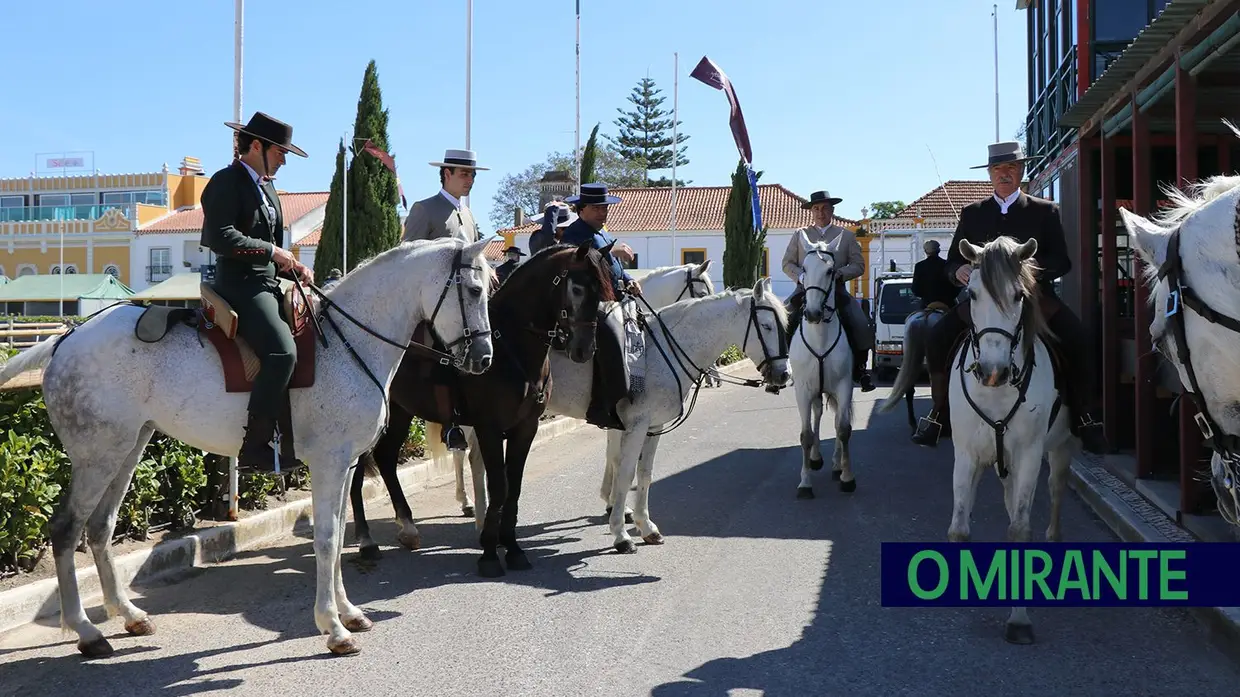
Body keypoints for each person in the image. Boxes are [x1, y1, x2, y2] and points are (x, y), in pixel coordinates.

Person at [909, 140, 1108, 454]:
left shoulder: (1045, 211)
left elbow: (1062, 261)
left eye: (1011, 168)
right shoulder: (972, 213)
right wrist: (957, 272)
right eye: (998, 169)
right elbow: (952, 261)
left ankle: (1084, 416)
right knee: (936, 337)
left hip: (1032, 298)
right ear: (989, 174)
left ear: (1022, 171)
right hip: (984, 300)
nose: (1004, 174)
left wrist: (1028, 272)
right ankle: (939, 413)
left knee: (1080, 338)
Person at [199, 111, 314, 473]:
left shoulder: (267, 188)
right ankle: (255, 447)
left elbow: (271, 246)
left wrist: (292, 265)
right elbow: (219, 236)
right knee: (282, 353)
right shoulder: (225, 182)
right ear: (257, 146)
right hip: (240, 286)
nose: (283, 159)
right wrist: (272, 252)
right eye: (280, 151)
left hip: (269, 281)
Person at [561, 183, 643, 429]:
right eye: (596, 208)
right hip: (587, 303)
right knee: (609, 338)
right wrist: (612, 250)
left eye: (604, 207)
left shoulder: (603, 232)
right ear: (581, 209)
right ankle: (602, 405)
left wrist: (629, 280)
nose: (602, 212)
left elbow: (613, 268)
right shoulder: (574, 233)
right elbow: (579, 260)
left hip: (613, 300)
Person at [782, 190, 876, 392]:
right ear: (811, 211)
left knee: (859, 320)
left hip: (835, 290)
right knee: (781, 318)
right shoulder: (800, 235)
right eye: (816, 208)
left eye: (825, 208)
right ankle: (781, 369)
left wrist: (839, 273)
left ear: (832, 210)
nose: (820, 212)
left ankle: (860, 369)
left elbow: (859, 265)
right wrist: (801, 276)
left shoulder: (847, 236)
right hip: (804, 290)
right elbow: (787, 263)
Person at [402, 148, 488, 244]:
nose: (470, 180)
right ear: (447, 174)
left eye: (473, 175)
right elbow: (408, 254)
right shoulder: (424, 209)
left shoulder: (469, 215)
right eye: (464, 174)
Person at [911, 240, 959, 309]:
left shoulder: (919, 266)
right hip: (949, 304)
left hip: (927, 304)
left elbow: (915, 289)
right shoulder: (947, 265)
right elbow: (956, 286)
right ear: (938, 250)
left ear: (925, 251)